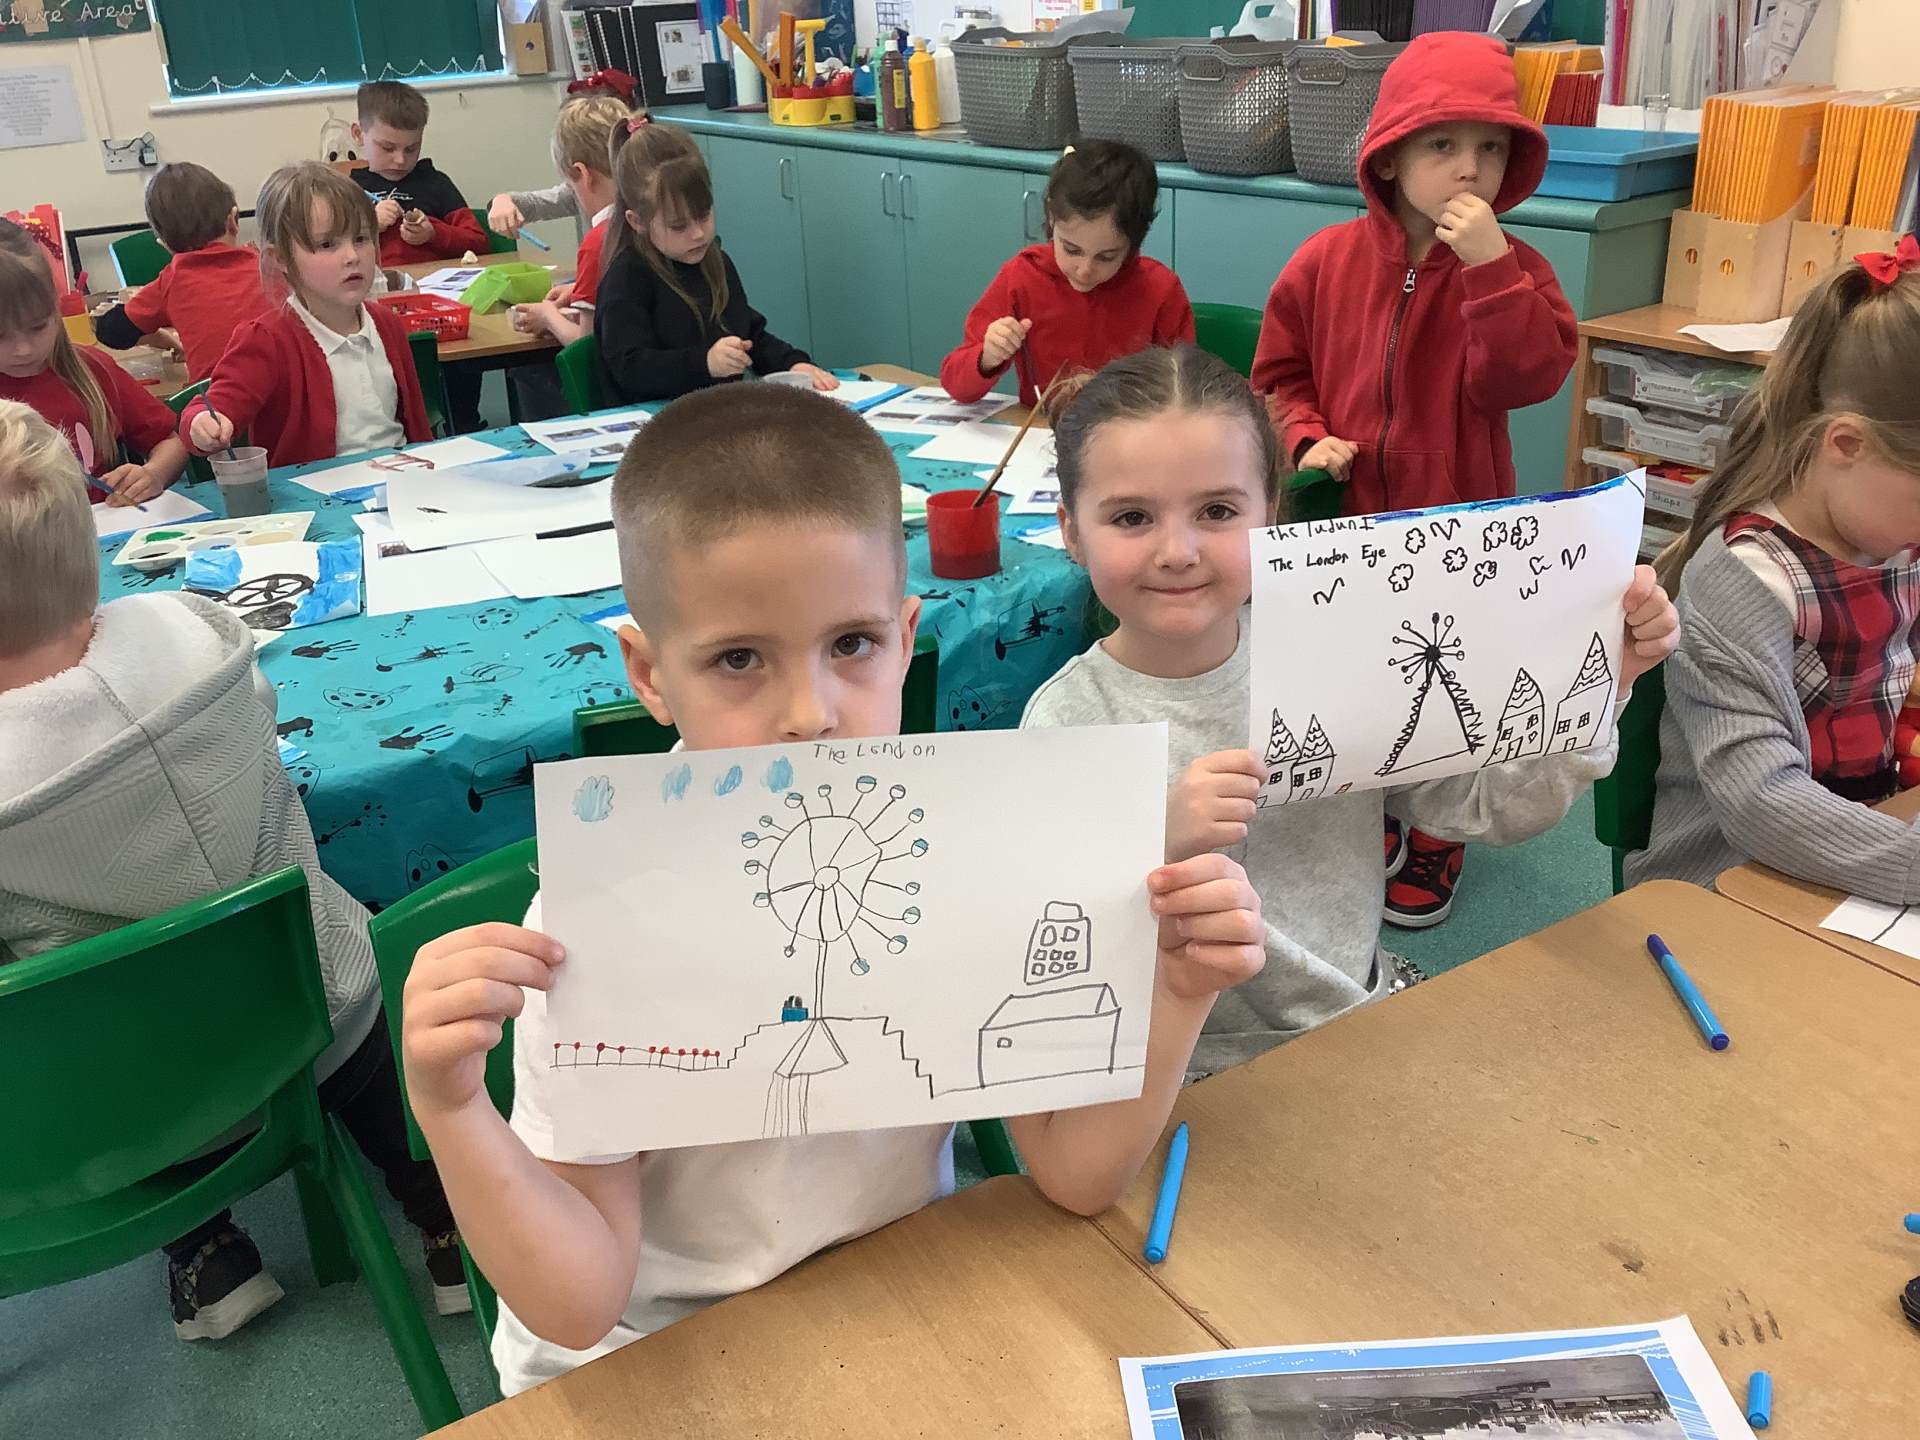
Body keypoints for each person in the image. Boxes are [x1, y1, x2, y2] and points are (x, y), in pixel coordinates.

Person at [399, 384, 1266, 1396]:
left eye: (851, 644)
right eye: (738, 659)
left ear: (905, 637)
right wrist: (453, 1108)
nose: (809, 713)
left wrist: (1176, 992)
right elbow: (581, 1301)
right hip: (658, 1351)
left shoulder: (979, 857)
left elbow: (1076, 1177)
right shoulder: (599, 920)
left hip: (889, 1298)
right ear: (649, 671)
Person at [1021, 346, 1679, 1074]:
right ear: (1072, 531)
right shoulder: (1067, 721)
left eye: (1217, 511)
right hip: (1171, 1065)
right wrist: (1155, 841)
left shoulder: (1337, 655)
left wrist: (1600, 681)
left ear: (1269, 513)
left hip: (1353, 1020)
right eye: (1132, 517)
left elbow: (1486, 810)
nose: (1178, 550)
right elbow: (1043, 948)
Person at [0, 400, 463, 1339]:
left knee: (73, 1017)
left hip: (155, 1104)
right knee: (355, 988)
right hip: (326, 1017)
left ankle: (210, 1259)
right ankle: (451, 1224)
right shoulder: (197, 634)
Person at [1251, 31, 1579, 928]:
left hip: (1459, 528)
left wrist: (1492, 274)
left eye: (1491, 148)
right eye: (1443, 145)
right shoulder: (1324, 262)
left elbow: (1527, 379)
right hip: (1346, 525)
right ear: (1391, 157)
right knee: (1360, 682)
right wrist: (1305, 436)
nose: (1469, 169)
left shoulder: (1518, 270)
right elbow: (1277, 379)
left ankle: (1438, 834)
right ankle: (1377, 812)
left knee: (1452, 691)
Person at [1631, 250, 1920, 899]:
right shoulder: (1745, 578)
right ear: (1846, 445)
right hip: (1725, 882)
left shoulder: (1894, 538)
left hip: (1856, 853)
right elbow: (1758, 801)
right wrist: (1908, 864)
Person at [180, 163, 431, 468]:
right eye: (327, 244)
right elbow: (210, 407)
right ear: (280, 258)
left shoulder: (386, 323)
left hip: (403, 480)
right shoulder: (267, 339)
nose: (352, 256)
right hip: (319, 492)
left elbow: (417, 430)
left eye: (361, 239)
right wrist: (204, 423)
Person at [940, 140, 1193, 409]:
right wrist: (987, 357)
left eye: (1106, 257)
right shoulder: (1022, 277)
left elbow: (1187, 394)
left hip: (1129, 431)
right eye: (1071, 250)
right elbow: (955, 384)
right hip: (1041, 427)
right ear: (1051, 219)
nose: (1085, 270)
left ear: (1134, 243)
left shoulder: (1160, 290)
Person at [593, 122, 836, 402]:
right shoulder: (627, 279)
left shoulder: (715, 262)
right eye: (678, 226)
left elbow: (748, 335)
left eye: (704, 216)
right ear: (637, 222)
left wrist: (792, 363)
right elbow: (630, 369)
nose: (698, 234)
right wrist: (705, 363)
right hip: (655, 417)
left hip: (716, 409)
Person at [0, 220, 187, 507]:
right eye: (0, 336)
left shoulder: (93, 369)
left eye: (38, 327)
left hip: (106, 528)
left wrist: (153, 475)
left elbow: (171, 442)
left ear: (56, 309)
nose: (23, 350)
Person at [94, 162, 273, 382]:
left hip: (218, 400)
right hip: (289, 393)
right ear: (234, 220)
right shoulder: (268, 268)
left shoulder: (173, 280)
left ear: (163, 244)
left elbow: (111, 331)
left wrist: (158, 336)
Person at [511, 90, 639, 349]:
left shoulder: (598, 243)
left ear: (583, 174)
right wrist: (578, 291)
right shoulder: (653, 221)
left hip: (620, 371)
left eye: (570, 184)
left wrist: (548, 317)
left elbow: (585, 343)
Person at [347, 80, 486, 266]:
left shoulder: (435, 183)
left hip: (434, 279)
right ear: (358, 134)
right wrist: (369, 226)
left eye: (411, 149)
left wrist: (433, 233)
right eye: (388, 148)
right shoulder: (349, 190)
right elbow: (328, 251)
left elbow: (479, 242)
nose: (400, 160)